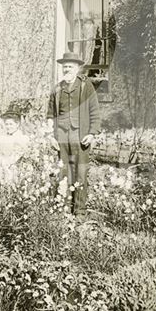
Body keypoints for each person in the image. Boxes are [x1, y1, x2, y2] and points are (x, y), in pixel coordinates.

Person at [45, 52, 100, 214]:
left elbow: (94, 110)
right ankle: (63, 208)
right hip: (61, 135)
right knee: (64, 171)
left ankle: (79, 210)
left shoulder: (85, 86)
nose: (67, 69)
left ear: (77, 68)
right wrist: (50, 136)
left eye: (70, 66)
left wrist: (92, 133)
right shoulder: (57, 89)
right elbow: (50, 114)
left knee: (80, 172)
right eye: (65, 66)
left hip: (79, 135)